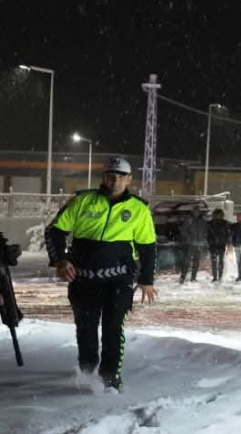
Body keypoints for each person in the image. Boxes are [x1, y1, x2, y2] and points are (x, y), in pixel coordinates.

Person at [43, 156, 157, 392]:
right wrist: (61, 261)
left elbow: (148, 245)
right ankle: (86, 373)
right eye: (109, 176)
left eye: (120, 176)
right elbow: (54, 230)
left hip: (119, 280)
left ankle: (110, 379)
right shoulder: (83, 201)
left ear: (129, 179)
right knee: (85, 330)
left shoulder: (138, 208)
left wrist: (146, 280)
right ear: (103, 177)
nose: (114, 181)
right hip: (83, 280)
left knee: (113, 329)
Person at [178, 211, 208, 283]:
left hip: (199, 244)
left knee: (196, 262)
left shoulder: (202, 221)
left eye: (197, 211)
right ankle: (183, 277)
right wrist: (189, 238)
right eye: (195, 211)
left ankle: (193, 277)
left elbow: (205, 231)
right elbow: (183, 231)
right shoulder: (189, 220)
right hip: (191, 244)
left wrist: (203, 238)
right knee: (187, 262)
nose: (196, 212)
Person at [206, 208, 231, 282]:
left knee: (220, 262)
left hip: (220, 244)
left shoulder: (225, 223)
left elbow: (228, 233)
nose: (218, 216)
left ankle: (219, 276)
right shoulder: (210, 224)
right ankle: (215, 277)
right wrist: (209, 241)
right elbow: (207, 234)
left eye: (219, 215)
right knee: (215, 262)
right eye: (217, 215)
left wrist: (228, 242)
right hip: (213, 245)